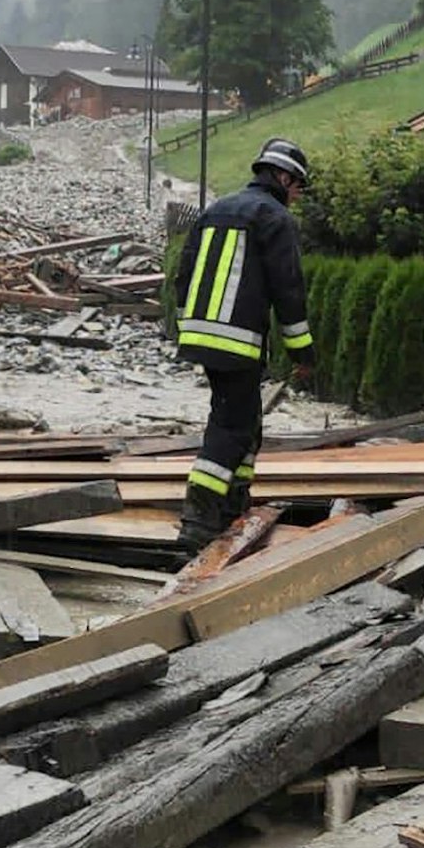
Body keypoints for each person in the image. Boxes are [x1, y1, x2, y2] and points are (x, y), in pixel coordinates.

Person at [169, 137, 316, 551]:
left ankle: (234, 504)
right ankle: (197, 522)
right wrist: (302, 353)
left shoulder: (215, 210)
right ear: (283, 176)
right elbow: (289, 291)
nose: (298, 196)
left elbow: (184, 272)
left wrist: (186, 326)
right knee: (231, 428)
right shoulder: (276, 219)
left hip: (201, 335)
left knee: (247, 422)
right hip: (238, 341)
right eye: (298, 186)